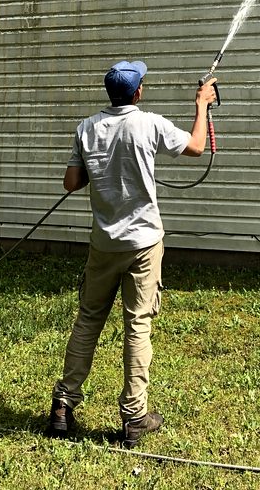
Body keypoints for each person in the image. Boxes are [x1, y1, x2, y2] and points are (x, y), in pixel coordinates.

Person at [49, 58, 219, 447]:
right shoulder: (150, 124)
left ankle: (63, 405)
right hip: (144, 244)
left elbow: (70, 182)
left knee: (88, 320)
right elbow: (196, 146)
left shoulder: (86, 128)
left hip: (103, 244)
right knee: (137, 325)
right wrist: (202, 104)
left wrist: (98, 162)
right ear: (138, 92)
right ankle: (134, 418)